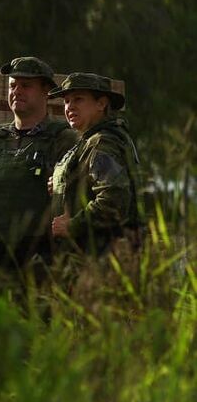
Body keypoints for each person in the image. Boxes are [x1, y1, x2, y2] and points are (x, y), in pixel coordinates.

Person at [0, 57, 79, 294]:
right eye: (12, 85)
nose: (17, 91)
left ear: (46, 91)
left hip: (44, 266)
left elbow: (77, 201)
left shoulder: (62, 140)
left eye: (26, 86)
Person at [48, 72, 141, 261]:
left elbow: (113, 199)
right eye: (66, 101)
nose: (69, 107)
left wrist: (72, 226)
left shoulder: (101, 142)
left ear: (101, 104)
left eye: (78, 99)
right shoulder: (90, 140)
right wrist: (62, 184)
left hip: (98, 259)